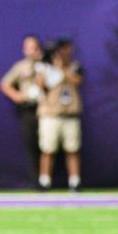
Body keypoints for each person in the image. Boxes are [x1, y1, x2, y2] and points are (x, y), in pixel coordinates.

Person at [35, 39, 83, 191]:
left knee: (72, 149)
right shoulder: (44, 68)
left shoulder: (74, 66)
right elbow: (40, 86)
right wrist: (48, 69)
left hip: (70, 114)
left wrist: (61, 69)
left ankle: (75, 181)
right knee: (47, 149)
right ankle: (44, 181)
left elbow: (77, 81)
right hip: (51, 114)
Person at [0, 35, 45, 183]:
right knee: (31, 145)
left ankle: (46, 179)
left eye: (35, 47)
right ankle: (36, 181)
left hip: (46, 109)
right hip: (28, 110)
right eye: (29, 48)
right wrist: (17, 96)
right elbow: (4, 84)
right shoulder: (20, 66)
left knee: (47, 145)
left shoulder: (46, 65)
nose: (32, 51)